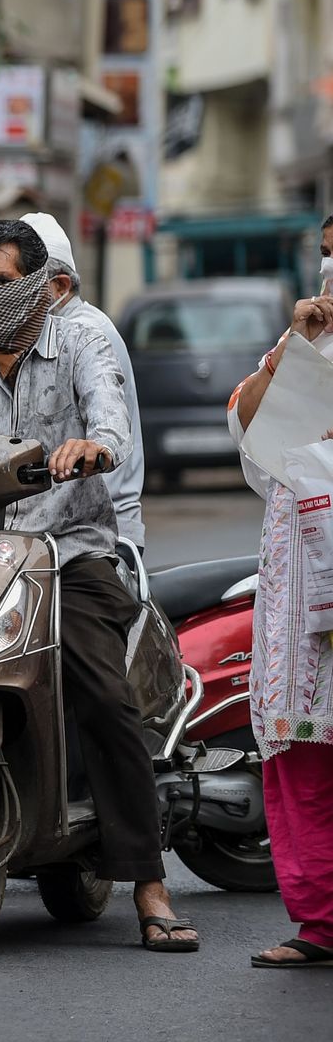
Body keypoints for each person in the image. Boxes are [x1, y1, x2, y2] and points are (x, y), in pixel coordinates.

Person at [0, 219, 199, 952]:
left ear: (43, 282)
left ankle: (147, 879)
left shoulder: (82, 340)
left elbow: (109, 409)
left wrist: (97, 443)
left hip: (71, 552)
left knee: (104, 694)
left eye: (2, 282)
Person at [225, 213, 333, 968]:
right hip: (303, 583)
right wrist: (296, 347)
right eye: (327, 253)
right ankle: (319, 919)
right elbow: (246, 422)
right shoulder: (301, 347)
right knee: (298, 746)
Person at [19, 212, 145, 550]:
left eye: (25, 284)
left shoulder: (87, 334)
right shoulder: (40, 338)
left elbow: (107, 429)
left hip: (103, 535)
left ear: (59, 285)